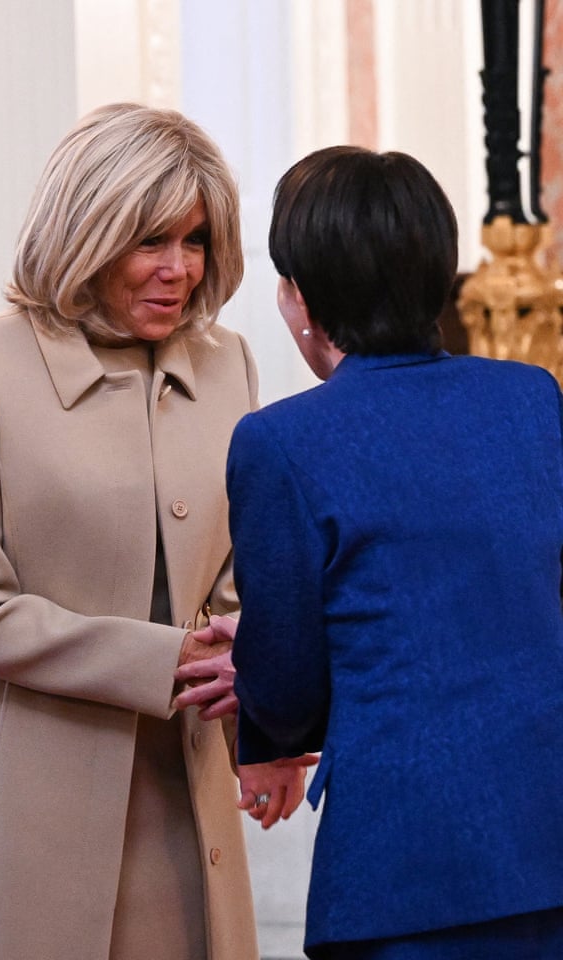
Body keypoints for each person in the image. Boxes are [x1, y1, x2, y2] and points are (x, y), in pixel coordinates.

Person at [0, 102, 306, 960]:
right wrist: (168, 660)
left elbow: (237, 581)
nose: (179, 269)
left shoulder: (227, 363)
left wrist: (263, 709)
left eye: (196, 241)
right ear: (85, 233)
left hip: (191, 788)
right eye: (150, 242)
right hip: (40, 804)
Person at [225, 146, 563, 958]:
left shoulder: (283, 441)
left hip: (402, 867)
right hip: (546, 836)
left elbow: (286, 681)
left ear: (303, 298)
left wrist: (254, 707)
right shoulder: (531, 399)